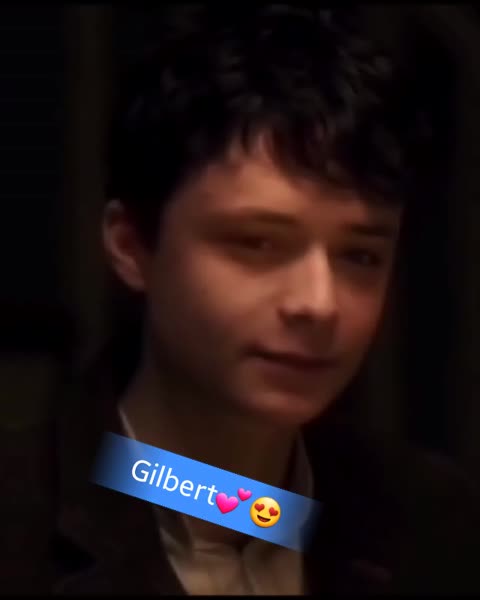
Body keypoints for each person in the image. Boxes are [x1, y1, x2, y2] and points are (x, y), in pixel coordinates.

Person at [8, 4, 480, 595]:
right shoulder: (19, 523)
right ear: (131, 246)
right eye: (257, 243)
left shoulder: (432, 520)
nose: (319, 303)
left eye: (360, 256)